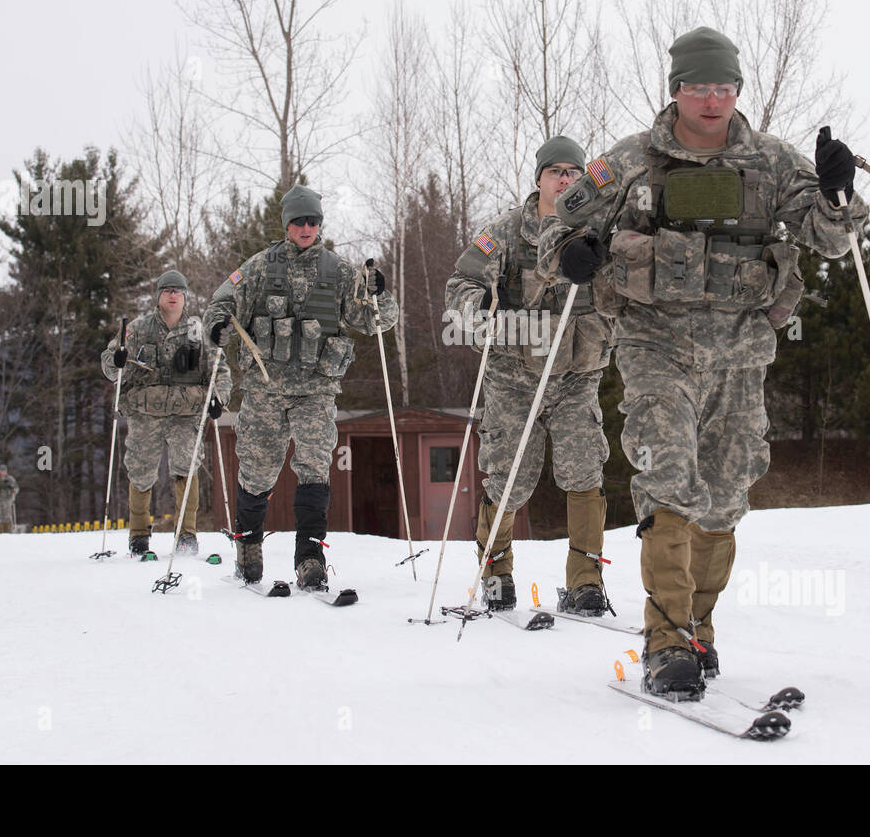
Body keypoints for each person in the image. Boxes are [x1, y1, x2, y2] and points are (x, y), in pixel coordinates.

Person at [539, 27, 868, 699]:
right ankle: (665, 640)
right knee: (669, 477)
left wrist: (838, 191)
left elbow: (831, 238)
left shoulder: (774, 164)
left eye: (724, 86)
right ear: (677, 90)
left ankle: (698, 626)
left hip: (742, 352)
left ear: (737, 89)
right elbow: (557, 220)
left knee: (724, 492)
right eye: (699, 86)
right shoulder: (627, 162)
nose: (713, 99)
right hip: (656, 344)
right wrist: (570, 251)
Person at [443, 136, 614, 613]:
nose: (564, 179)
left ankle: (585, 580)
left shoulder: (596, 233)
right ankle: (495, 569)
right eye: (555, 171)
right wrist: (479, 309)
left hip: (579, 375)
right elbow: (461, 284)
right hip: (515, 377)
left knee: (585, 470)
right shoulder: (505, 233)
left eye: (573, 172)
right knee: (510, 477)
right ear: (538, 178)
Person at [203, 185, 398, 589]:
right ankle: (248, 546)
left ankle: (310, 556)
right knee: (257, 472)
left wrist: (381, 294)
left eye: (313, 221)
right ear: (287, 224)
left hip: (316, 390)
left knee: (314, 469)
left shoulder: (338, 271)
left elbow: (376, 321)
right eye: (299, 221)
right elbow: (221, 302)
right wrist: (219, 326)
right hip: (265, 390)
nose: (307, 228)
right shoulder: (259, 267)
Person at [101, 270, 233, 558]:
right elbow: (111, 367)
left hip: (186, 413)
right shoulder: (138, 329)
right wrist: (117, 359)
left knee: (187, 467)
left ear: (185, 297)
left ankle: (186, 534)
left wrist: (218, 399)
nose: (173, 295)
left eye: (178, 291)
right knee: (140, 469)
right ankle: (138, 535)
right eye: (167, 290)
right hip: (145, 412)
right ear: (158, 296)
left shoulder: (200, 332)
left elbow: (220, 372)